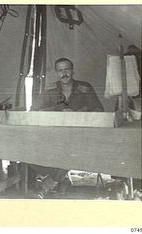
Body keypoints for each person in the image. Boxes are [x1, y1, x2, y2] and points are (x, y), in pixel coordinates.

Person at [30, 57, 104, 196]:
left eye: (67, 69)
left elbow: (99, 109)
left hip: (80, 134)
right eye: (60, 70)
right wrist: (57, 112)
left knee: (72, 150)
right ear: (57, 73)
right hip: (55, 134)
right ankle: (61, 179)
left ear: (73, 71)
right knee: (35, 152)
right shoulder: (50, 90)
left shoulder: (85, 88)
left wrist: (80, 113)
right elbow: (34, 110)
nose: (64, 73)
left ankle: (48, 184)